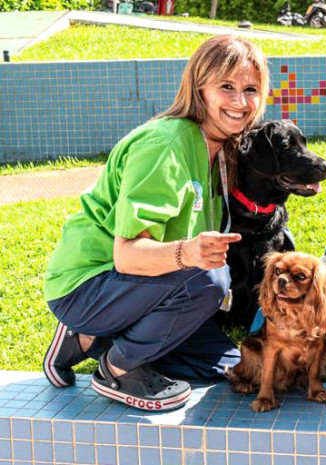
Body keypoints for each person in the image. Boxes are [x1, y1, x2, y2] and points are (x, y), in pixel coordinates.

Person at [42, 35, 271, 411]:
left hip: (146, 286)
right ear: (199, 87)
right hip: (91, 282)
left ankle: (88, 337)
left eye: (251, 89)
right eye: (226, 87)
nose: (240, 102)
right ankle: (116, 367)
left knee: (231, 366)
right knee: (208, 279)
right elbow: (127, 257)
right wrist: (191, 252)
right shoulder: (165, 145)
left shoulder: (222, 149)